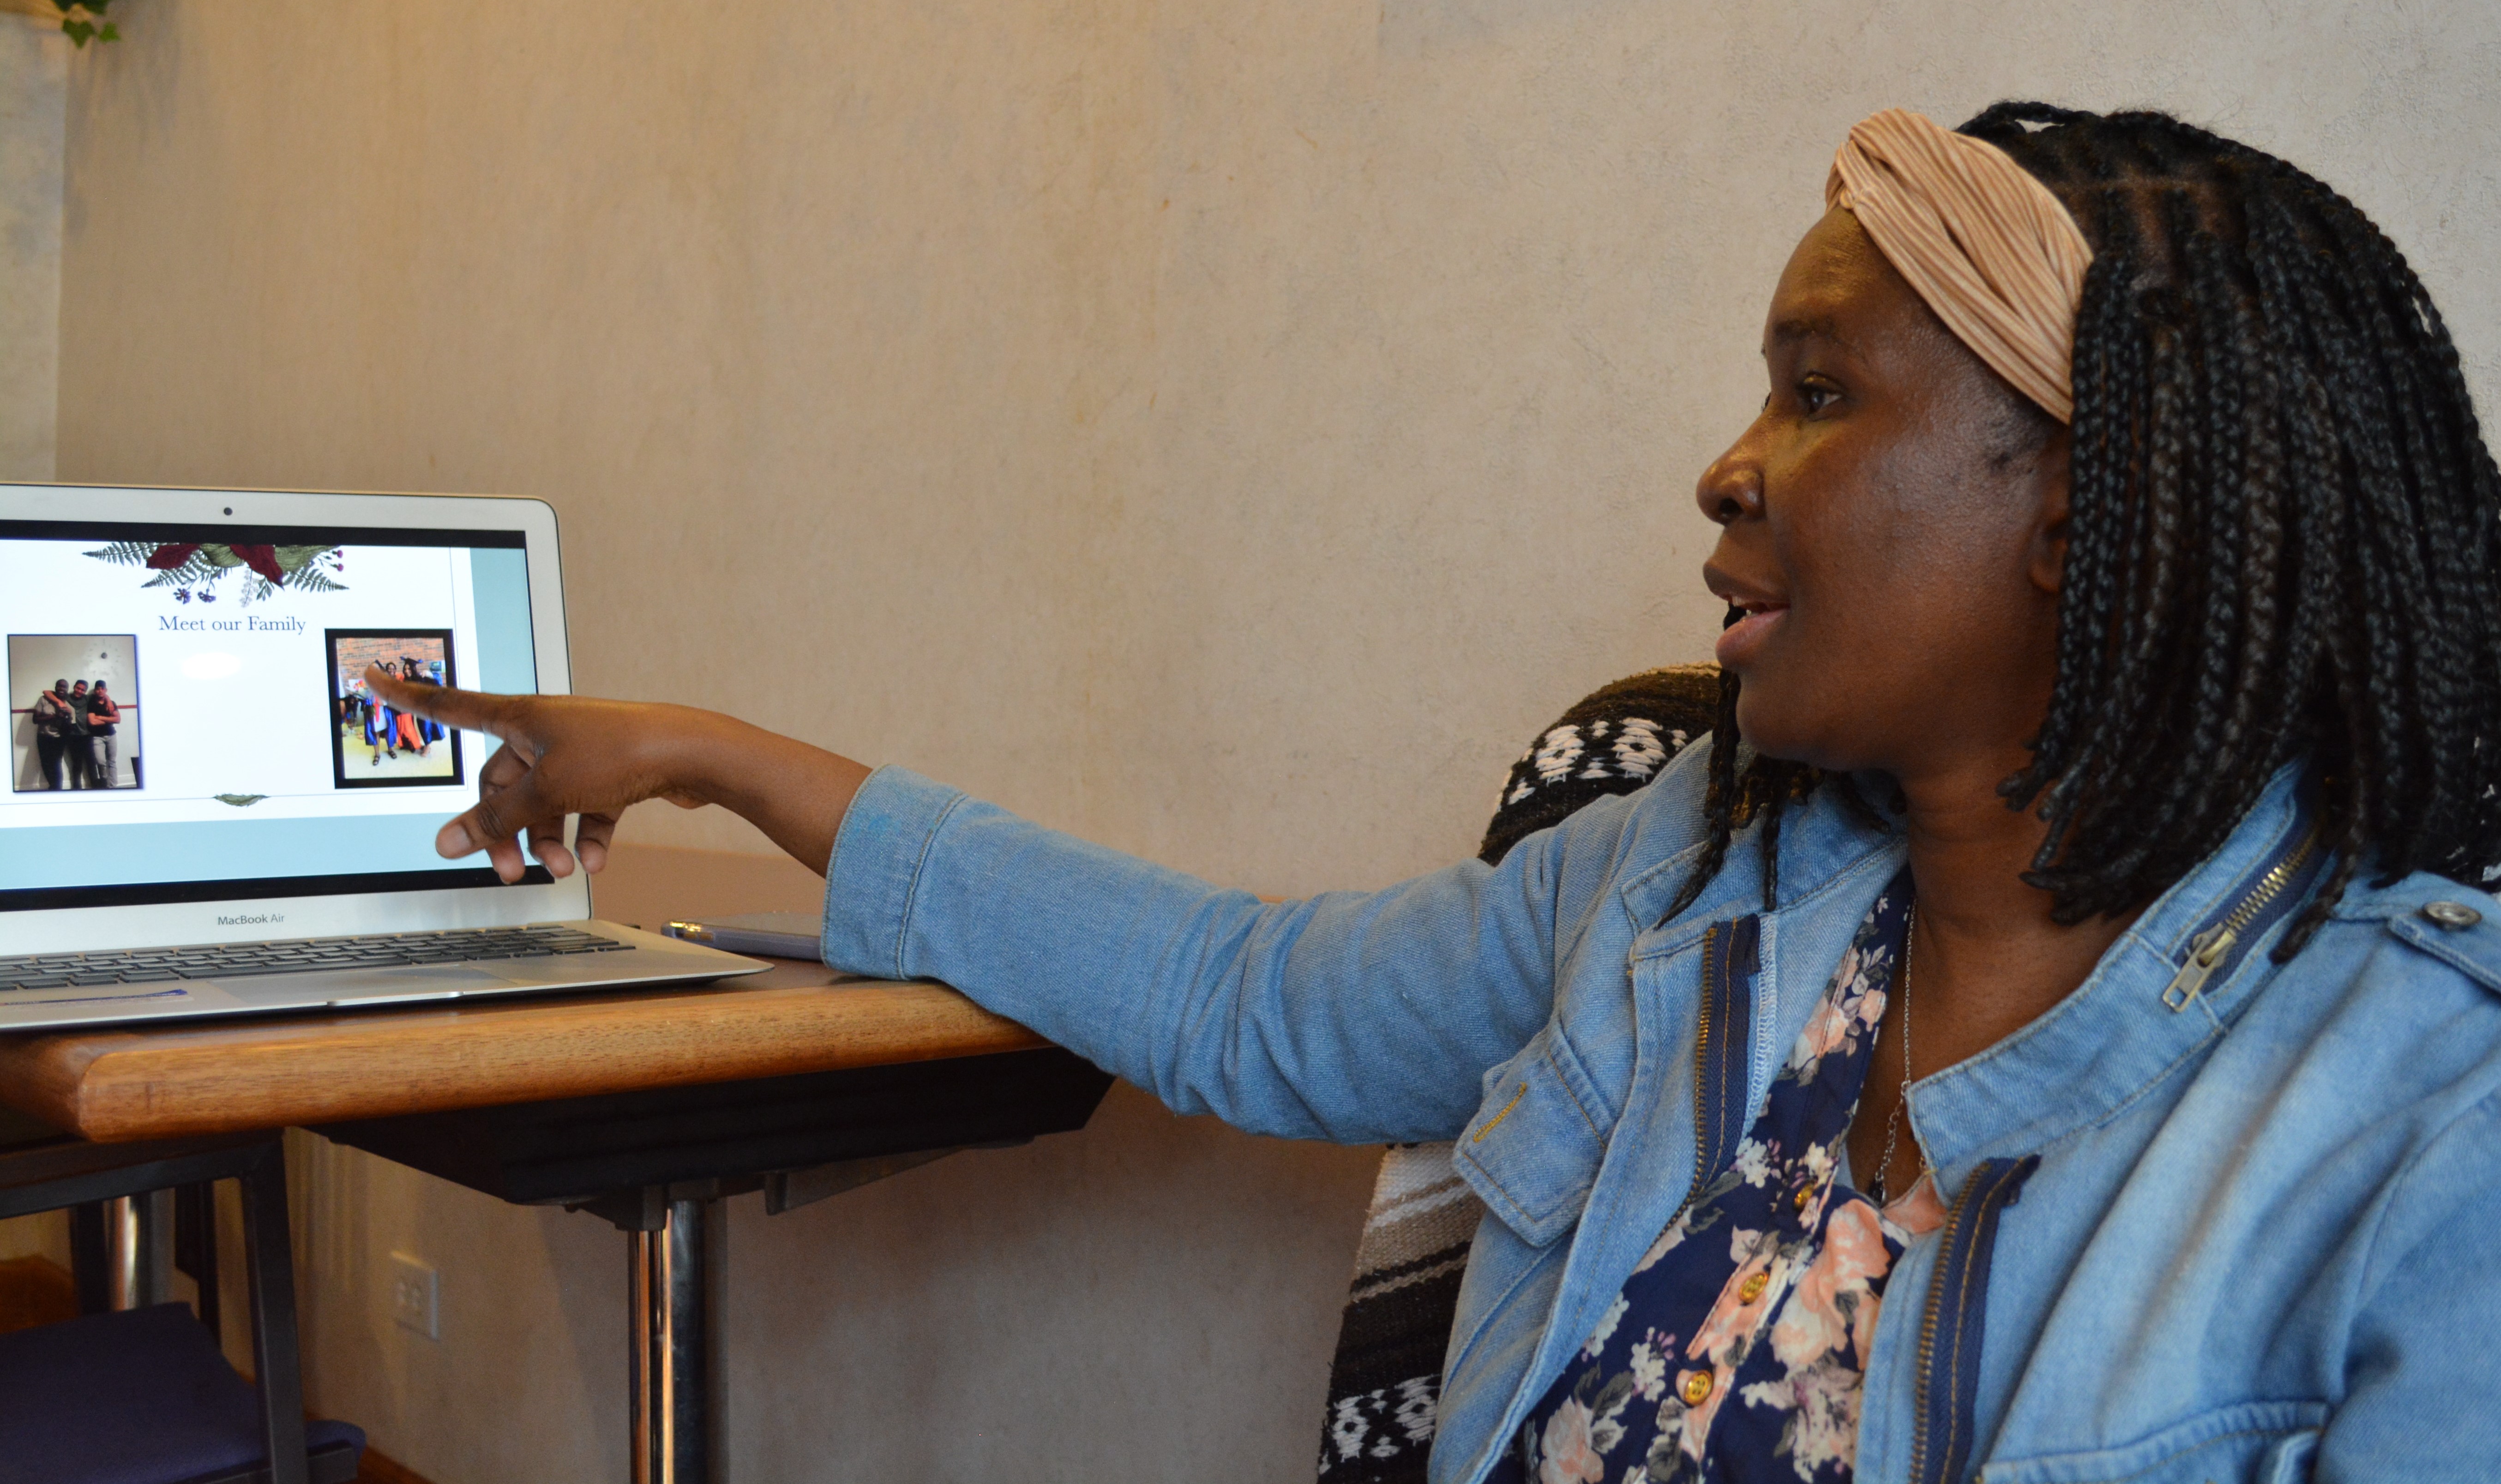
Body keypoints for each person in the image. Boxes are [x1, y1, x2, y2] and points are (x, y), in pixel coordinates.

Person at [366, 104, 2501, 1483]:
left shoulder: (2423, 1119)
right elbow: (1247, 1000)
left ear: (2088, 503)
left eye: (1822, 393)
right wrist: (722, 760)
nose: (1728, 465)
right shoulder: (1685, 875)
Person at [29, 679, 75, 790]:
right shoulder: (44, 700)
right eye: (59, 686)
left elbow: (69, 730)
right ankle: (53, 787)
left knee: (56, 765)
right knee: (45, 765)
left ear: (67, 690)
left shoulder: (69, 707)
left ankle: (57, 789)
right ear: (55, 687)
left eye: (64, 687)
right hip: (43, 737)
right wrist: (53, 717)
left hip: (59, 739)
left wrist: (67, 718)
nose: (61, 689)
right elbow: (35, 720)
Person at [83, 679, 120, 789]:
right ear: (95, 691)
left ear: (106, 690)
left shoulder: (112, 703)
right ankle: (104, 784)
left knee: (112, 761)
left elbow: (118, 720)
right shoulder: (91, 704)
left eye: (102, 689)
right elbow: (92, 722)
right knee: (101, 762)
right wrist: (110, 719)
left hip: (112, 735)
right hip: (97, 737)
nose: (100, 691)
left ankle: (113, 786)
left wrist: (100, 717)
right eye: (98, 689)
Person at [61, 679, 94, 791]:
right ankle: (77, 790)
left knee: (91, 763)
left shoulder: (88, 699)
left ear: (85, 691)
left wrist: (108, 700)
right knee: (77, 765)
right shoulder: (66, 697)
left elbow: (103, 696)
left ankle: (97, 789)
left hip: (88, 736)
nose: (80, 691)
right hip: (73, 737)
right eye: (78, 688)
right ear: (74, 687)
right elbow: (47, 692)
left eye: (83, 690)